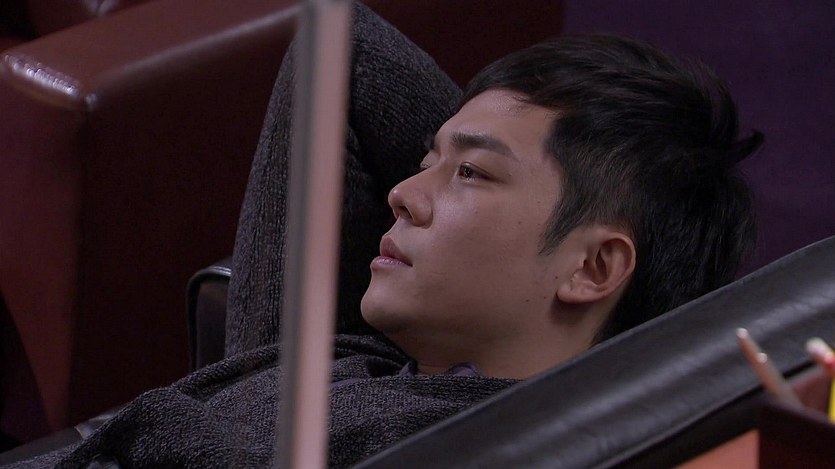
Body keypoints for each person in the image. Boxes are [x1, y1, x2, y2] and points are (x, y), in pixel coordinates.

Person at [4, 2, 760, 468]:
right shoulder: (343, 361)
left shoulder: (448, 445)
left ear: (593, 266)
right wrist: (482, 144)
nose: (402, 193)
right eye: (426, 160)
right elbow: (343, 51)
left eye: (472, 174)